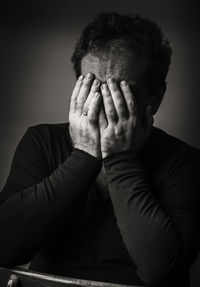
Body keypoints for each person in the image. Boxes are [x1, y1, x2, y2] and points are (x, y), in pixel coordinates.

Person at [0, 12, 200, 287]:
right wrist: (84, 155)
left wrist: (122, 159)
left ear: (156, 96)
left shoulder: (185, 162)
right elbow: (4, 246)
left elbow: (162, 273)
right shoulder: (41, 140)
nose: (104, 104)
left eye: (121, 91)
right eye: (93, 86)